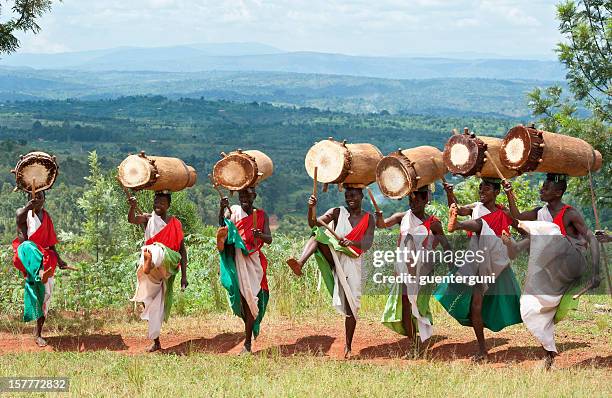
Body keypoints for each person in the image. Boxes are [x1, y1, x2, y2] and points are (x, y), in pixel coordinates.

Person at [502, 173, 601, 369]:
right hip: (552, 269)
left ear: (558, 192)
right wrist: (509, 193)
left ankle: (518, 246)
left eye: (546, 188)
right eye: (542, 186)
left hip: (573, 261)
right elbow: (517, 217)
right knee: (531, 305)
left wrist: (595, 271)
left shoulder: (570, 213)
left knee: (549, 231)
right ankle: (549, 353)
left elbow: (592, 239)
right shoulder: (541, 212)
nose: (541, 190)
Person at [434, 178, 522, 361]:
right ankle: (482, 349)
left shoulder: (502, 211)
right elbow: (457, 209)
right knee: (476, 305)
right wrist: (450, 193)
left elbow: (518, 222)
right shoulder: (476, 207)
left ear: (496, 192)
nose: (482, 190)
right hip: (478, 257)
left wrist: (510, 194)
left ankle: (457, 226)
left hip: (496, 254)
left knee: (483, 225)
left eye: (487, 188)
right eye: (480, 187)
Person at [286, 186, 375, 358]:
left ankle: (348, 347)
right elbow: (314, 224)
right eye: (347, 195)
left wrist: (352, 243)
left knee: (352, 306)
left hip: (354, 261)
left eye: (354, 195)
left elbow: (368, 243)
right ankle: (300, 263)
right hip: (335, 256)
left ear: (361, 196)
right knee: (318, 234)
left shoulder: (368, 218)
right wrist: (311, 207)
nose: (350, 198)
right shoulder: (337, 212)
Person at [377, 186, 451, 354]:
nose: (413, 203)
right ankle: (412, 343)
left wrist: (452, 267)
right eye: (411, 199)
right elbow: (382, 225)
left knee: (418, 304)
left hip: (424, 270)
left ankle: (420, 333)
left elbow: (446, 245)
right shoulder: (401, 217)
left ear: (426, 200)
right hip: (404, 267)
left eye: (418, 199)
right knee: (405, 302)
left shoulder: (434, 223)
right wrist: (379, 217)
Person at [129, 191, 188, 352]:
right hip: (152, 270)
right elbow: (132, 219)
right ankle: (156, 342)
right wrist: (133, 207)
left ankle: (151, 257)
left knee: (158, 250)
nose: (158, 205)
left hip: (167, 263)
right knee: (148, 301)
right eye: (156, 202)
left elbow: (182, 250)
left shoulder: (175, 223)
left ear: (168, 205)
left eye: (162, 203)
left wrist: (184, 275)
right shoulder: (148, 218)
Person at [217, 187, 272, 355]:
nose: (244, 198)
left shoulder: (261, 215)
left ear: (254, 196)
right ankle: (248, 337)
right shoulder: (233, 211)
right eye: (241, 195)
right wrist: (222, 208)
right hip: (237, 260)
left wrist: (260, 235)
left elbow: (269, 239)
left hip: (253, 262)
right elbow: (222, 224)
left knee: (251, 301)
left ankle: (247, 343)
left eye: (248, 195)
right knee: (242, 300)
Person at [13, 190, 68, 347]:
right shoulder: (23, 213)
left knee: (45, 294)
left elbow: (51, 243)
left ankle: (38, 333)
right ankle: (40, 271)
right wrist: (28, 207)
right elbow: (19, 218)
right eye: (33, 197)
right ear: (28, 199)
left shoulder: (46, 216)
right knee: (28, 245)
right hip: (27, 254)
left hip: (46, 257)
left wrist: (59, 260)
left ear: (44, 199)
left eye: (40, 197)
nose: (37, 200)